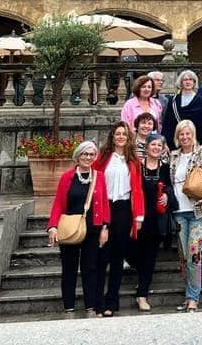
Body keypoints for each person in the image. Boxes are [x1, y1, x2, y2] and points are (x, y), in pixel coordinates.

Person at [47, 140, 110, 315]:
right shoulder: (67, 177)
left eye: (91, 154)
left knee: (90, 268)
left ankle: (90, 306)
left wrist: (105, 227)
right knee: (69, 268)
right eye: (85, 154)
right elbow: (58, 203)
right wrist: (52, 226)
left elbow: (104, 203)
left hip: (92, 229)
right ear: (78, 155)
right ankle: (69, 307)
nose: (88, 158)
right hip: (69, 228)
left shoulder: (99, 177)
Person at [168, 120, 202, 312]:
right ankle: (189, 294)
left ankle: (193, 297)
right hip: (179, 212)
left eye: (188, 134)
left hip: (198, 211)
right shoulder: (173, 156)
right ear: (177, 137)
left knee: (194, 254)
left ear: (193, 135)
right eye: (181, 134)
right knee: (184, 256)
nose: (185, 137)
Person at [94, 122, 145, 317]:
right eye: (118, 134)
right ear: (112, 136)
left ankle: (111, 302)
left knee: (117, 258)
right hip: (105, 207)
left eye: (124, 134)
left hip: (124, 209)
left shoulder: (133, 160)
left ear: (128, 137)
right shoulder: (103, 157)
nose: (121, 137)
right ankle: (98, 301)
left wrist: (139, 216)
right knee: (101, 256)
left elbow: (137, 189)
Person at [135, 132, 176, 311]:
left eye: (160, 145)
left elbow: (171, 188)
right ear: (146, 146)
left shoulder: (166, 168)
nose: (156, 148)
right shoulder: (136, 166)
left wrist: (167, 195)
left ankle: (142, 295)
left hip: (156, 218)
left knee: (150, 256)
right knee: (134, 252)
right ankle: (142, 276)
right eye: (153, 144)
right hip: (138, 216)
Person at [162, 70, 202, 148]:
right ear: (181, 82)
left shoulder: (201, 101)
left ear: (194, 82)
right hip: (175, 141)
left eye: (190, 79)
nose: (188, 82)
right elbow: (168, 123)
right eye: (185, 80)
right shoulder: (173, 100)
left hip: (195, 141)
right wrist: (165, 141)